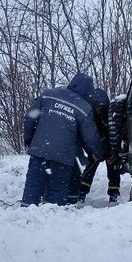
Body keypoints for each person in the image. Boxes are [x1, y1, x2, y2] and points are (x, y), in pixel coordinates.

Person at [22, 73, 108, 206]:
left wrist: (29, 139)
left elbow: (30, 118)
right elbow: (91, 137)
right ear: (88, 91)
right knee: (58, 189)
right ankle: (54, 217)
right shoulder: (84, 108)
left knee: (33, 184)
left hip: (39, 151)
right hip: (63, 157)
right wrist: (98, 152)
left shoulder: (48, 94)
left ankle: (25, 214)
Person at [69, 88, 121, 204]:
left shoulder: (91, 112)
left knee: (92, 168)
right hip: (103, 144)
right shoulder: (107, 112)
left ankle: (82, 194)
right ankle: (112, 195)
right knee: (109, 170)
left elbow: (89, 133)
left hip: (100, 144)